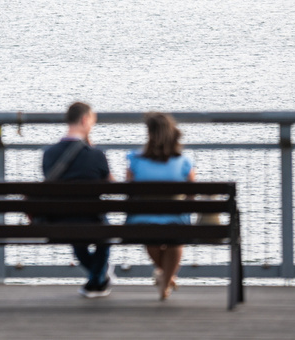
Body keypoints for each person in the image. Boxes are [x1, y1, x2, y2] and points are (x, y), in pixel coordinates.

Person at [42, 102, 114, 298]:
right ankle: (96, 281)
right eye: (92, 121)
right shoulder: (97, 155)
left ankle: (97, 278)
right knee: (103, 233)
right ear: (84, 120)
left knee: (75, 226)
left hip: (59, 221)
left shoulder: (49, 154)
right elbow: (111, 186)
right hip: (93, 220)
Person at [126, 112, 194, 300]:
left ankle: (165, 277)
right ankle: (167, 278)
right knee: (176, 239)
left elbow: (129, 192)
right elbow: (191, 194)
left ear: (149, 133)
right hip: (176, 222)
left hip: (142, 222)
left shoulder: (135, 159)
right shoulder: (184, 161)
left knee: (151, 236)